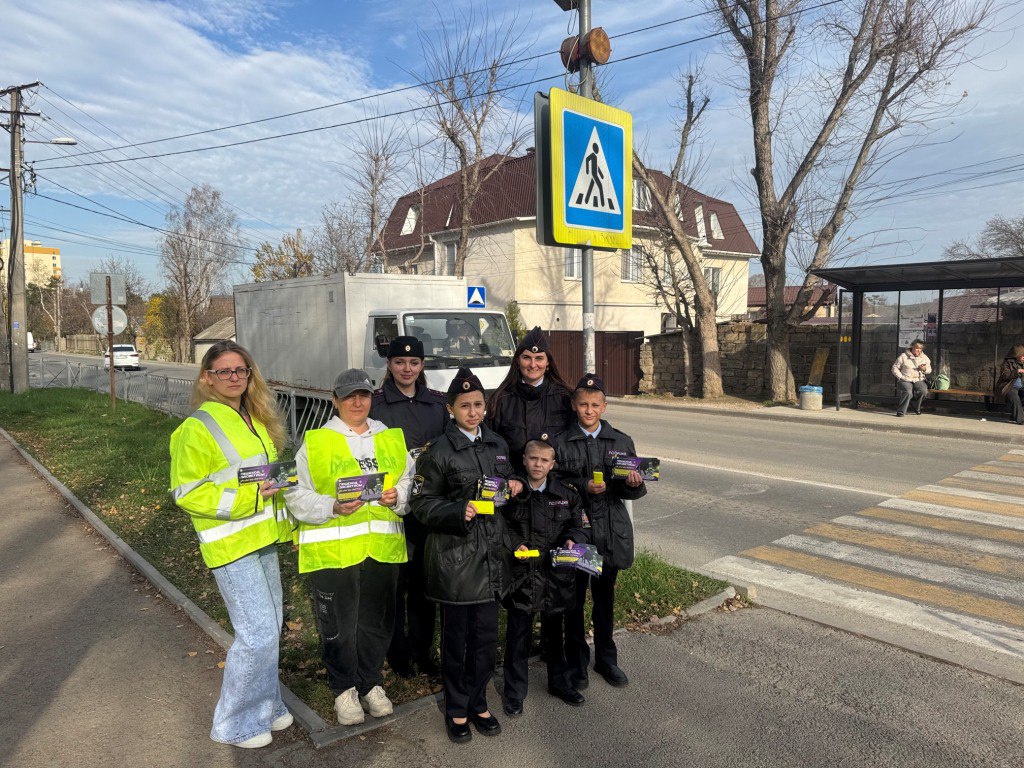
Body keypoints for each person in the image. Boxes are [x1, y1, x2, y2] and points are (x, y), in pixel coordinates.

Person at [169, 340, 294, 749]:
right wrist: (252, 499)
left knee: (270, 627)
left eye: (241, 370)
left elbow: (256, 478)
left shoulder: (253, 418)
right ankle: (235, 723)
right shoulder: (196, 428)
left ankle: (267, 706)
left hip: (263, 537)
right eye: (224, 371)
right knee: (256, 633)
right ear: (207, 377)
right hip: (230, 545)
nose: (234, 377)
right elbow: (188, 493)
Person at [285, 369, 415, 727]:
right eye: (349, 396)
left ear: (371, 397)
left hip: (381, 547)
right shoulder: (317, 442)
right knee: (339, 624)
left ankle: (370, 682)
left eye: (363, 395)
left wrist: (397, 496)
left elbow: (408, 480)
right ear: (335, 400)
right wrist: (331, 506)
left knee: (377, 621)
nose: (357, 402)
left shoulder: (388, 437)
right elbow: (295, 493)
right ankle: (343, 687)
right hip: (334, 550)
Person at [410, 366, 524, 744]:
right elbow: (422, 505)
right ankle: (456, 708)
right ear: (450, 410)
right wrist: (458, 511)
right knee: (457, 642)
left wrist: (509, 489)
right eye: (465, 406)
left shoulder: (498, 446)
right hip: (456, 559)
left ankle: (479, 702)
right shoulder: (437, 452)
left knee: (486, 640)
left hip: (492, 558)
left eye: (478, 404)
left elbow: (500, 501)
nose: (473, 412)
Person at [553, 374, 646, 690]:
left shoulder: (620, 441)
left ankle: (607, 660)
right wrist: (582, 485)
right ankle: (577, 663)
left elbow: (630, 493)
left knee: (604, 600)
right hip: (578, 534)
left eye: (594, 405)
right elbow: (553, 486)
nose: (588, 411)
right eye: (583, 405)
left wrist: (633, 482)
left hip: (609, 533)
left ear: (604, 406)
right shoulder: (560, 442)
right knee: (575, 601)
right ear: (574, 405)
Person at [370, 336, 449, 679]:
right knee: (393, 584)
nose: (407, 369)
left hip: (427, 505)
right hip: (390, 505)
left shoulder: (437, 404)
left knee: (423, 583)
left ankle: (422, 650)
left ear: (422, 366)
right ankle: (397, 652)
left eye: (414, 363)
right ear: (389, 365)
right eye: (400, 363)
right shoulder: (375, 405)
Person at [502, 440, 588, 716]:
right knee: (518, 636)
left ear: (553, 464)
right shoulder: (512, 493)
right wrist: (515, 544)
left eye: (544, 460)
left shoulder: (567, 493)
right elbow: (501, 527)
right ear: (524, 460)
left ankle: (559, 682)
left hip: (556, 576)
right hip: (522, 576)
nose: (538, 465)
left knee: (555, 634)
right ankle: (514, 692)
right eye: (533, 458)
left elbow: (580, 525)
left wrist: (573, 540)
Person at [486, 326, 574, 470]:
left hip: (556, 480)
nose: (533, 365)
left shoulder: (565, 398)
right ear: (518, 361)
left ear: (547, 364)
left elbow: (574, 447)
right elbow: (491, 448)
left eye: (539, 358)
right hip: (514, 481)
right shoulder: (500, 399)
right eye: (527, 358)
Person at [891, 340, 932, 417]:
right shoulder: (904, 356)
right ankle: (901, 411)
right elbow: (895, 368)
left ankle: (916, 406)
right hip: (905, 379)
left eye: (920, 348)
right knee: (908, 391)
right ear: (912, 347)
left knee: (923, 391)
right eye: (917, 348)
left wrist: (924, 369)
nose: (919, 350)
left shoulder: (924, 357)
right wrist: (901, 377)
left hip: (918, 379)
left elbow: (929, 370)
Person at [994, 344, 1024, 425]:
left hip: (1022, 386)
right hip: (1009, 386)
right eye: (1022, 355)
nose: (1023, 357)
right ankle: (1020, 420)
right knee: (1015, 398)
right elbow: (1005, 375)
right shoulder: (1008, 363)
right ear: (1016, 355)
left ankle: (1014, 415)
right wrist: (1017, 371)